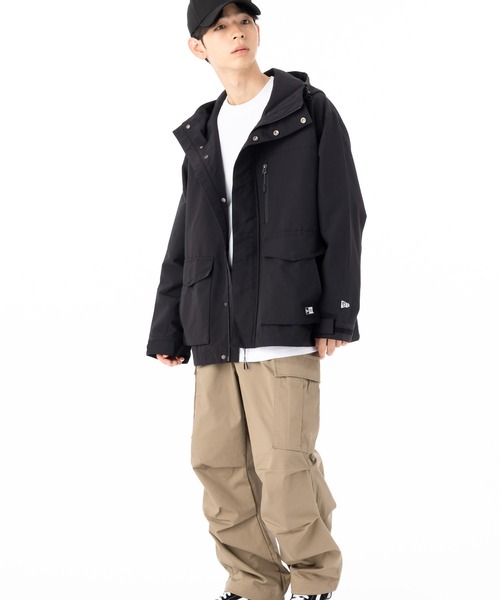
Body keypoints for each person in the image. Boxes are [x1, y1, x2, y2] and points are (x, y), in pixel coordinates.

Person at [146, 1, 366, 599]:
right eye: (220, 27)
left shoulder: (306, 110)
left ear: (257, 29)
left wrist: (338, 311)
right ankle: (251, 583)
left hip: (284, 318)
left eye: (244, 21)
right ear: (199, 47)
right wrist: (168, 326)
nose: (236, 33)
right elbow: (187, 234)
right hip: (214, 327)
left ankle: (314, 580)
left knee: (284, 465)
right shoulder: (202, 131)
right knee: (219, 467)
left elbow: (344, 212)